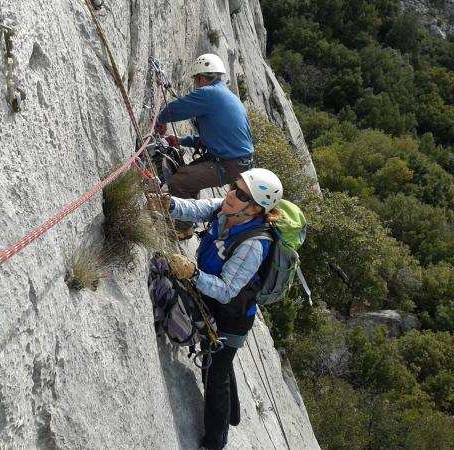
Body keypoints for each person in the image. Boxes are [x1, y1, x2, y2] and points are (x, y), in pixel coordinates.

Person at [150, 168, 283, 450]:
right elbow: (195, 208)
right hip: (210, 297)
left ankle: (215, 442)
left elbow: (226, 290)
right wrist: (170, 205)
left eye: (241, 194)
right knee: (220, 365)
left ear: (258, 208)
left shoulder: (254, 244)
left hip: (231, 319)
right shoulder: (225, 211)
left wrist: (193, 274)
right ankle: (233, 413)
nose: (231, 194)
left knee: (214, 373)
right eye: (234, 187)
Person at [155, 53, 255, 239]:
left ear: (201, 78)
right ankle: (188, 214)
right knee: (189, 175)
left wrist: (161, 119)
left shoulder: (209, 93)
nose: (196, 85)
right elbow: (216, 137)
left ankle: (183, 227)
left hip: (229, 164)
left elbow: (177, 108)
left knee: (179, 181)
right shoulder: (226, 96)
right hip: (236, 162)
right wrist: (181, 141)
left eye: (196, 80)